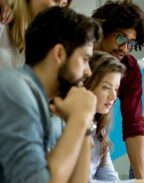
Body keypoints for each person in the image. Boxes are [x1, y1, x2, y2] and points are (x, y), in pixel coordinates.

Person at [0, 6, 101, 183]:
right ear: (59, 53)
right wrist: (79, 118)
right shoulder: (15, 89)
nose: (89, 72)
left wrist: (84, 125)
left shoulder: (56, 109)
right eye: (85, 59)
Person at [92, 0, 144, 179]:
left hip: (97, 135)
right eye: (120, 38)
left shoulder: (129, 68)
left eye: (131, 43)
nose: (125, 49)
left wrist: (143, 179)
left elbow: (133, 123)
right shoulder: (76, 56)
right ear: (102, 31)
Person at [84, 51, 126, 182]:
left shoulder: (98, 130)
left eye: (116, 88)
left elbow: (111, 179)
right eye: (106, 87)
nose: (113, 97)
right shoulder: (67, 126)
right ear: (87, 84)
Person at [0, 0, 72, 68]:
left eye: (63, 5)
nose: (59, 11)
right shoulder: (2, 22)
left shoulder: (47, 46)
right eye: (55, 0)